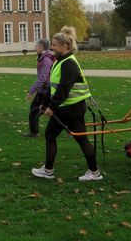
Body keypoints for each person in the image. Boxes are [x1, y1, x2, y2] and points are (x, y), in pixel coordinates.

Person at [31, 26, 102, 182]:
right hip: (68, 108)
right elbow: (53, 86)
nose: (51, 47)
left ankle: (50, 170)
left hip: (71, 108)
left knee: (60, 136)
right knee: (74, 138)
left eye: (55, 45)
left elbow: (63, 90)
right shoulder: (60, 61)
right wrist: (45, 103)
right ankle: (93, 171)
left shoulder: (68, 63)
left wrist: (51, 107)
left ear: (65, 46)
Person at [23, 39, 55, 137]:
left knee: (34, 110)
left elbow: (42, 78)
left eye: (36, 46)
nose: (35, 48)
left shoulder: (46, 60)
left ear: (41, 47)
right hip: (45, 89)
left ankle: (34, 132)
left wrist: (31, 91)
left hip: (45, 90)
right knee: (50, 110)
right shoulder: (43, 57)